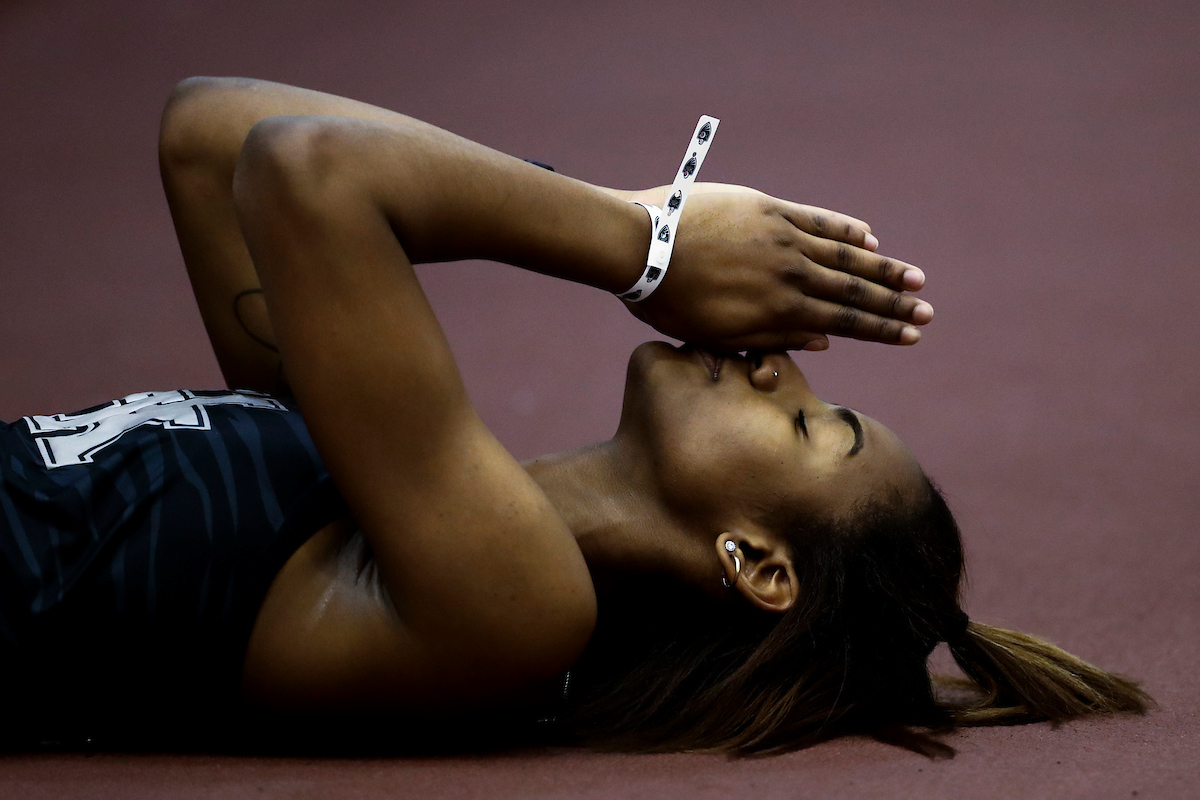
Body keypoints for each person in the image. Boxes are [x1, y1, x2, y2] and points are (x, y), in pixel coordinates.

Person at [0, 77, 1148, 756]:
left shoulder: (518, 612)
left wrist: (644, 246)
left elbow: (308, 171)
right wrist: (637, 217)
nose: (773, 366)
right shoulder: (367, 475)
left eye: (808, 423)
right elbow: (209, 137)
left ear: (756, 565)